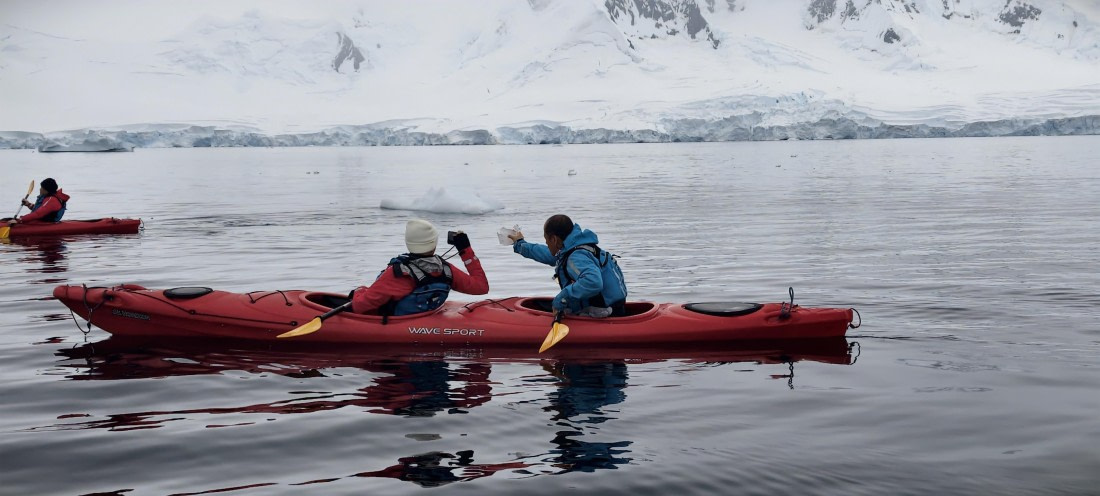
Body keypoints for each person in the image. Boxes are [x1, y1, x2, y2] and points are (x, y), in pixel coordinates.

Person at [350, 219, 489, 317]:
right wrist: (465, 250)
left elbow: (359, 307)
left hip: (399, 323)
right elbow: (481, 287)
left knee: (361, 291)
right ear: (434, 244)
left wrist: (360, 291)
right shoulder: (446, 269)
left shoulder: (397, 273)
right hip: (428, 314)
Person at [508, 214, 627, 318]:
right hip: (614, 307)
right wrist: (520, 244)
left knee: (556, 305)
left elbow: (593, 282)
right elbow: (548, 254)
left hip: (605, 313)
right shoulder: (574, 248)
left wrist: (562, 299)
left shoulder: (576, 257)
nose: (546, 244)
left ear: (554, 239)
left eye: (546, 240)